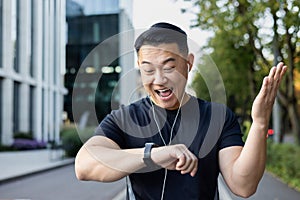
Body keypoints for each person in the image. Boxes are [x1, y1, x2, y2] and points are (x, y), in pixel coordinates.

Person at [75, 22, 287, 200]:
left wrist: (260, 123)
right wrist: (155, 155)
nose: (159, 80)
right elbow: (84, 166)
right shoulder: (124, 118)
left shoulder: (217, 117)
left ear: (189, 63)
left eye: (169, 67)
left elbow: (244, 185)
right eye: (148, 69)